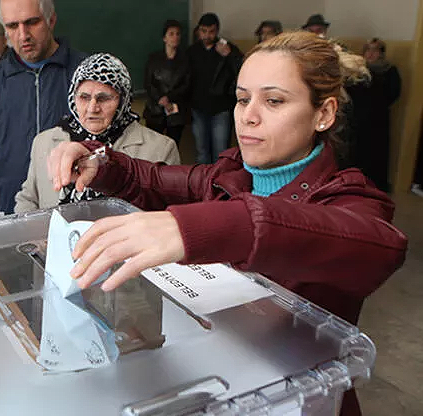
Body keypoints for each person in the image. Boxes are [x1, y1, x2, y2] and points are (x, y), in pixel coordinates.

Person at [48, 32, 407, 415]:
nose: (248, 115)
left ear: (324, 114)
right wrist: (97, 161)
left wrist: (196, 227)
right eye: (241, 98)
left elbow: (379, 245)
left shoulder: (350, 199)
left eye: (273, 100)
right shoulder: (228, 175)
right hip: (220, 390)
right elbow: (147, 178)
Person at [0, 0, 87, 219]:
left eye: (32, 22)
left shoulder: (84, 75)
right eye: (12, 26)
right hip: (4, 216)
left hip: (69, 217)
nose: (22, 35)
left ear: (51, 20)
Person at [15, 53, 180, 212]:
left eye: (104, 98)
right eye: (84, 97)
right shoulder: (44, 142)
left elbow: (167, 215)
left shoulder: (161, 149)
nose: (92, 108)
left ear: (123, 101)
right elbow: (28, 199)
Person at [346, 38, 401, 192]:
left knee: (376, 152)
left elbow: (394, 93)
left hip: (378, 119)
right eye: (368, 50)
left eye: (375, 50)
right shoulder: (357, 70)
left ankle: (373, 184)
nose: (370, 54)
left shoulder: (389, 70)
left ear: (381, 53)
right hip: (357, 117)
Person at [187, 13, 243, 164]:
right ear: (198, 31)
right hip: (198, 108)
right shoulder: (192, 51)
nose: (207, 35)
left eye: (211, 31)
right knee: (201, 152)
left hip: (221, 109)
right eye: (203, 31)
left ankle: (218, 184)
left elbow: (242, 72)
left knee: (221, 152)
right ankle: (202, 185)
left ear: (217, 31)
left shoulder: (228, 48)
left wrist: (229, 55)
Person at [143, 19, 190, 146]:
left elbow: (187, 84)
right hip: (155, 110)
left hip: (176, 112)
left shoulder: (185, 60)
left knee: (172, 146)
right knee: (152, 147)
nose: (175, 37)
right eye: (171, 34)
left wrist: (169, 98)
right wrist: (160, 99)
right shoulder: (154, 58)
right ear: (164, 38)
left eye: (178, 34)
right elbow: (148, 83)